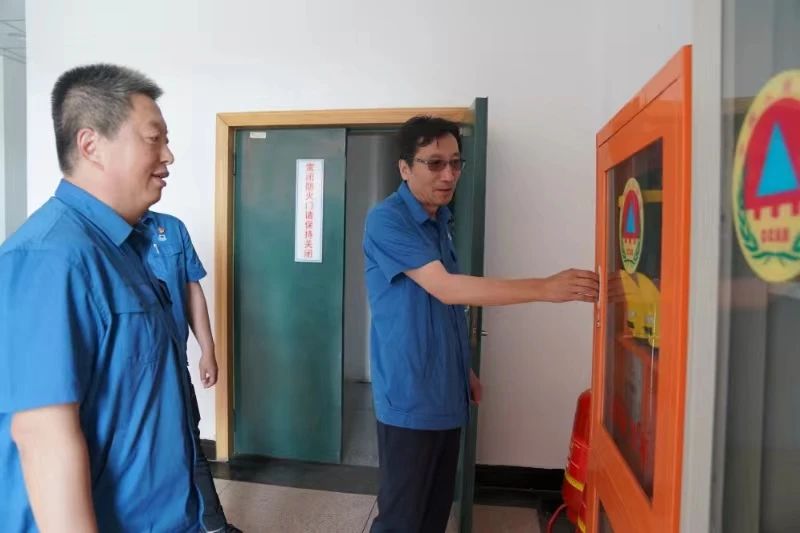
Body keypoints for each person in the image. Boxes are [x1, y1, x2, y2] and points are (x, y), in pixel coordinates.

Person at [364, 116, 599, 532]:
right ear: (405, 168)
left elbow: (443, 310)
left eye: (456, 163)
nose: (449, 174)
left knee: (434, 511)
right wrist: (545, 288)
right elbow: (447, 289)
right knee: (402, 517)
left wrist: (464, 370)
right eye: (435, 163)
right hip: (410, 394)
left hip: (446, 389)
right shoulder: (388, 219)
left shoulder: (441, 220)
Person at [0, 64, 200, 531]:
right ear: (91, 145)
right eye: (153, 139)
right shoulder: (50, 257)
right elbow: (43, 438)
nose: (168, 155)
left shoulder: (122, 247)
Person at [141, 209, 241, 533]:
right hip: (134, 372)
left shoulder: (171, 228)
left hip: (174, 361)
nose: (161, 184)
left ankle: (214, 526)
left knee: (189, 442)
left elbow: (190, 289)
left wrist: (207, 350)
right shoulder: (101, 234)